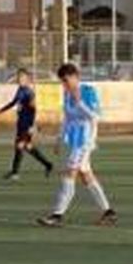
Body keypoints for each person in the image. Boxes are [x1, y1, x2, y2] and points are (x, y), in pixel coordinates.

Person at [36, 63, 117, 228]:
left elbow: (95, 117)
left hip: (84, 141)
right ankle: (108, 212)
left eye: (66, 80)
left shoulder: (87, 91)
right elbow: (67, 118)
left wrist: (79, 101)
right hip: (73, 141)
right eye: (62, 81)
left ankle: (57, 215)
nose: (65, 84)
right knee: (86, 176)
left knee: (68, 174)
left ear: (75, 77)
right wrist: (59, 138)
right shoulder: (66, 94)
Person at [0, 68, 53, 180]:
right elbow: (13, 103)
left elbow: (34, 109)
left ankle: (15, 173)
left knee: (19, 146)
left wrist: (32, 125)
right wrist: (0, 111)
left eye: (21, 77)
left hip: (26, 124)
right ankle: (48, 164)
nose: (19, 79)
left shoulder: (29, 92)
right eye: (18, 77)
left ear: (27, 79)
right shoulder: (20, 90)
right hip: (21, 123)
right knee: (28, 147)